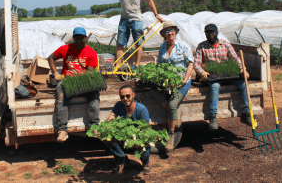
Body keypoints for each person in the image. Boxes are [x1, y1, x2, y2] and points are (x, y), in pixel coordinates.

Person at [105, 0, 164, 70]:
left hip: (137, 18)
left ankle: (136, 66)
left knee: (138, 42)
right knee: (120, 43)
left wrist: (156, 15)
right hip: (124, 18)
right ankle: (118, 65)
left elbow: (149, 0)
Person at [194, 23, 252, 130]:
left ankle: (246, 113)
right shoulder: (201, 46)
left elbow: (235, 58)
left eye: (212, 32)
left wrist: (243, 69)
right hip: (212, 75)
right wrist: (202, 72)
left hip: (227, 74)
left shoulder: (225, 44)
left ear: (217, 33)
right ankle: (213, 116)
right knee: (215, 86)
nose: (210, 35)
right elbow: (196, 63)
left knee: (243, 84)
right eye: (207, 33)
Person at [48, 27, 100, 143]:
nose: (78, 41)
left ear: (85, 38)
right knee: (60, 94)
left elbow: (90, 73)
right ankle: (62, 130)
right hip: (67, 82)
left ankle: (94, 126)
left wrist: (80, 77)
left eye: (80, 38)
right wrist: (56, 73)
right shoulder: (65, 49)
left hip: (83, 82)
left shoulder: (91, 52)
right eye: (76, 38)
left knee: (94, 94)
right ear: (73, 38)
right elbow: (51, 58)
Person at [152, 21, 194, 152]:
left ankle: (171, 134)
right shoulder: (163, 47)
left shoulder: (182, 45)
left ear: (175, 32)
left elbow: (190, 63)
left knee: (171, 104)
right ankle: (176, 113)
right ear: (164, 34)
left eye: (172, 30)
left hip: (182, 82)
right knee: (152, 92)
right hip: (167, 81)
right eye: (167, 31)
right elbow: (159, 64)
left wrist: (185, 79)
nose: (170, 33)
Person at [104, 85, 151, 174]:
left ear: (133, 95)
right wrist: (104, 128)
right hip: (124, 135)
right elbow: (111, 117)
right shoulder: (119, 105)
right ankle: (123, 160)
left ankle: (145, 162)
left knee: (145, 142)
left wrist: (135, 141)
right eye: (122, 97)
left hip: (138, 136)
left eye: (128, 96)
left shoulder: (141, 109)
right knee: (106, 136)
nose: (125, 99)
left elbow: (146, 130)